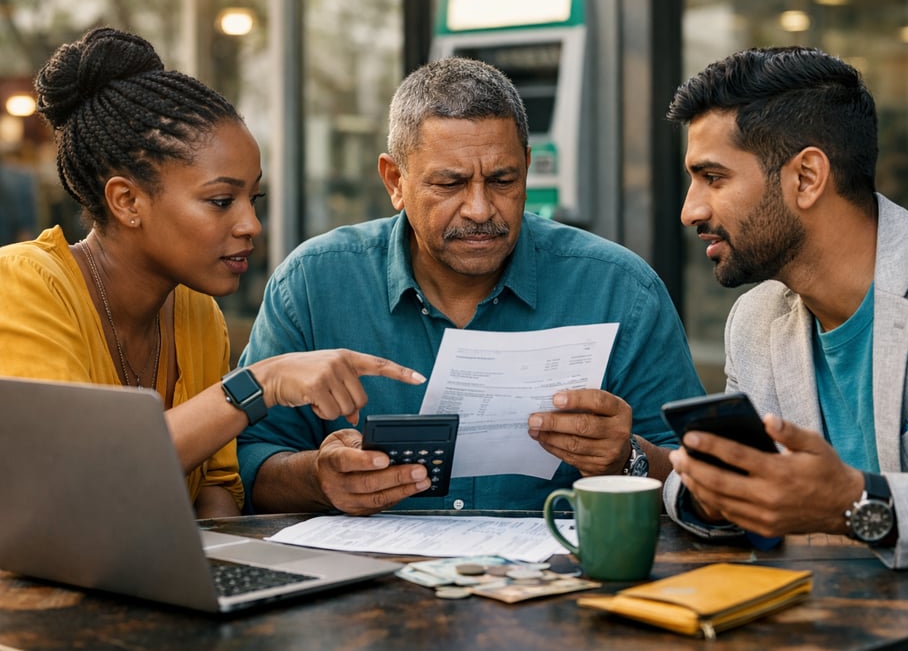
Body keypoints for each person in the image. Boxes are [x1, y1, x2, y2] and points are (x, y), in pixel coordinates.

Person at [237, 56, 704, 515]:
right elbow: (247, 462)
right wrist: (320, 478)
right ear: (395, 180)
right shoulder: (314, 285)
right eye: (451, 184)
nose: (480, 209)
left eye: (502, 180)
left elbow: (700, 479)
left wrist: (626, 458)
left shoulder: (619, 289)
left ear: (527, 166)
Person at [663, 45, 908, 648]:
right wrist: (711, 494)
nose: (691, 209)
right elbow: (731, 494)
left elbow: (835, 504)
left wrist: (856, 501)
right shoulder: (754, 319)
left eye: (713, 177)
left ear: (806, 177)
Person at [0, 27, 424, 519]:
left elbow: (217, 487)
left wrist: (230, 574)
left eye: (253, 199)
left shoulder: (198, 314)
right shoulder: (24, 284)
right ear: (127, 201)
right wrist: (260, 381)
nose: (251, 225)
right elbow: (79, 477)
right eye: (221, 201)